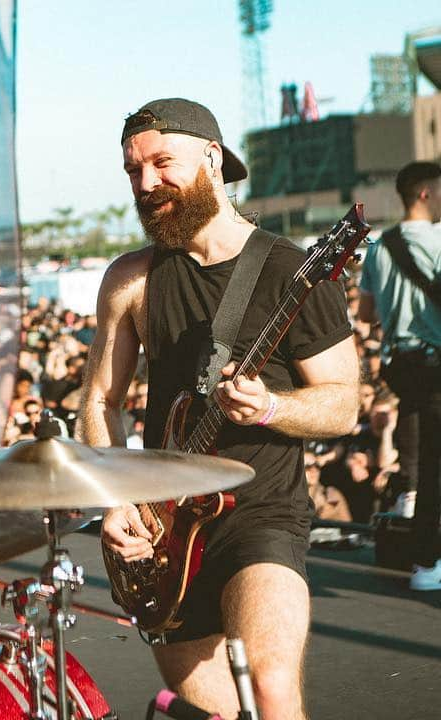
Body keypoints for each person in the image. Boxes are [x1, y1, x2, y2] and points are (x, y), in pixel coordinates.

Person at [78, 98, 359, 720]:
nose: (145, 183)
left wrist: (269, 408)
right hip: (162, 534)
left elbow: (344, 406)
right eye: (132, 171)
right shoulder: (131, 279)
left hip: (260, 516)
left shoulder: (294, 271)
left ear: (212, 157)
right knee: (209, 712)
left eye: (160, 163)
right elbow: (100, 399)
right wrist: (115, 498)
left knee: (270, 686)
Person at [358, 160, 441, 591]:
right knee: (433, 462)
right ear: (425, 193)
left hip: (397, 363)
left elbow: (367, 314)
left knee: (416, 447)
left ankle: (412, 529)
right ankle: (427, 562)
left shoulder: (379, 246)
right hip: (434, 361)